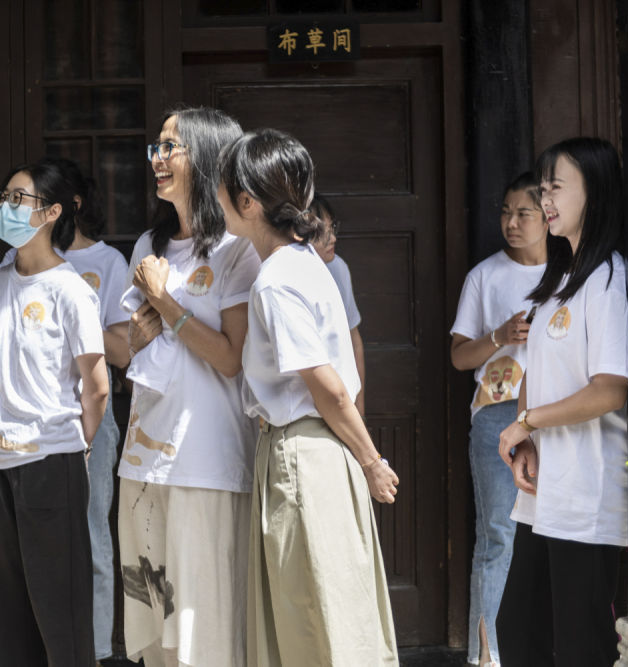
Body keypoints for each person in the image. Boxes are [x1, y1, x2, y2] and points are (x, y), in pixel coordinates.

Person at [217, 127, 399, 666]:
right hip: (314, 451)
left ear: (247, 202)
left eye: (224, 189)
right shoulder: (308, 263)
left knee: (313, 616)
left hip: (303, 454)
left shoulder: (276, 279)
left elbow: (327, 387)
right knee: (330, 608)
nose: (217, 199)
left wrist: (372, 461)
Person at [117, 107, 258, 667]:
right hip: (143, 458)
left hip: (206, 462)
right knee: (155, 618)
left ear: (208, 158)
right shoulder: (147, 246)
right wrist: (135, 335)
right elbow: (132, 349)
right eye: (155, 147)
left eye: (170, 146)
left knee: (206, 621)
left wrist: (165, 302)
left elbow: (231, 358)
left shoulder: (236, 250)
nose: (158, 158)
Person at [495, 138, 628, 666]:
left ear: (593, 193)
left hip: (587, 493)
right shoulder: (561, 279)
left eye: (555, 187)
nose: (545, 199)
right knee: (518, 628)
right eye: (543, 188)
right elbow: (538, 369)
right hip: (546, 491)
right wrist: (526, 435)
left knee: (580, 645)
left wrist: (527, 421)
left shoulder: (607, 279)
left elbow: (610, 388)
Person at [0, 160, 109, 666]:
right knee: (3, 616)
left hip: (52, 461)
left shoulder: (70, 289)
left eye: (19, 199)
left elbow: (97, 387)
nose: (6, 208)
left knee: (61, 613)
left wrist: (76, 446)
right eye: (3, 198)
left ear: (52, 213)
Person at [450, 172, 549, 667]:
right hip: (498, 416)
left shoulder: (572, 275)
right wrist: (499, 336)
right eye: (506, 212)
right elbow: (458, 357)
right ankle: (486, 658)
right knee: (497, 535)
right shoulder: (484, 277)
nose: (511, 222)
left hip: (558, 415)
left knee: (560, 533)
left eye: (523, 213)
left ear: (548, 216)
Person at [309, 195, 367, 415]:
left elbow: (354, 341)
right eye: (322, 232)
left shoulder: (338, 268)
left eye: (332, 228)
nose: (332, 238)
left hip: (343, 402)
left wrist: (359, 408)